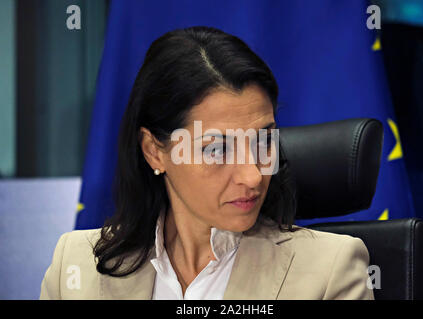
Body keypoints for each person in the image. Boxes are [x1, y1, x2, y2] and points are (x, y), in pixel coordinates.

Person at [40, 26, 374, 300]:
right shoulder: (76, 265)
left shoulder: (330, 270)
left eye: (264, 141)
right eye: (217, 150)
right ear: (154, 151)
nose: (253, 175)